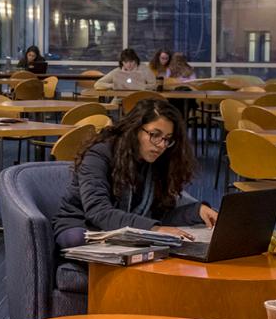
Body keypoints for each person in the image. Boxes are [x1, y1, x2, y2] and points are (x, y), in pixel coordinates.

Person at [54, 97, 217, 249]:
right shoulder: (99, 154)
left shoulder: (157, 162)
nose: (161, 145)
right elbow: (98, 212)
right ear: (135, 129)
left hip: (128, 229)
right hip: (83, 225)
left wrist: (196, 211)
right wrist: (154, 229)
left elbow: (157, 215)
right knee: (78, 238)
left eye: (167, 139)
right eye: (155, 135)